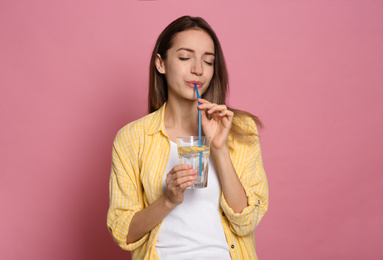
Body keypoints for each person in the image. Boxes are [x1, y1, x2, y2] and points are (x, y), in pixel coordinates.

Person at [107, 16, 268, 260]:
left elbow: (246, 222)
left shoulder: (238, 129)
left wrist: (219, 148)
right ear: (160, 63)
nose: (198, 69)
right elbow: (123, 232)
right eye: (184, 57)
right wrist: (168, 200)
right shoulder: (132, 138)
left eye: (208, 61)